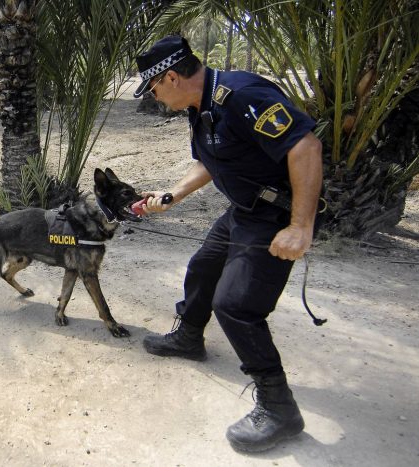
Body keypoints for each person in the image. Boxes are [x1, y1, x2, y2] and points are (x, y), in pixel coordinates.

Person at [132, 35, 323, 453]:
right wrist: (172, 195)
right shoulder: (203, 107)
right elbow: (213, 159)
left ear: (170, 77)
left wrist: (300, 226)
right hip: (242, 210)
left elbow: (305, 146)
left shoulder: (241, 95)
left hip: (273, 218)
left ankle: (279, 407)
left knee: (235, 305)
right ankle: (189, 338)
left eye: (153, 89)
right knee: (203, 267)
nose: (154, 97)